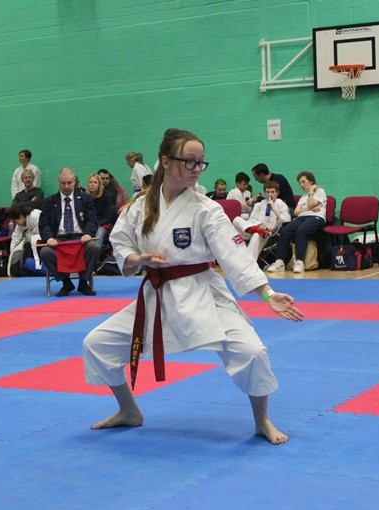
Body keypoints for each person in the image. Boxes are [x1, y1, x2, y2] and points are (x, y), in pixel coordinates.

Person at [82, 128, 303, 444]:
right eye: (190, 161)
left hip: (203, 293)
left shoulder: (206, 209)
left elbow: (235, 256)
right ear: (166, 161)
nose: (197, 168)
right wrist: (137, 258)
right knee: (96, 343)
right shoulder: (140, 205)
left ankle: (262, 420)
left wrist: (267, 294)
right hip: (158, 295)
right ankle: (129, 411)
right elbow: (120, 241)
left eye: (201, 162)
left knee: (252, 352)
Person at [38, 167, 101, 297]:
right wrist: (49, 237)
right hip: (59, 239)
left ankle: (83, 282)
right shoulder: (49, 202)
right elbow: (43, 224)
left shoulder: (85, 198)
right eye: (63, 183)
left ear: (74, 181)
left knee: (94, 247)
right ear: (58, 182)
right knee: (45, 252)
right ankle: (66, 282)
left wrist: (88, 233)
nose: (66, 186)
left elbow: (92, 219)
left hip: (80, 238)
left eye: (69, 183)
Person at [266, 171, 327, 274]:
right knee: (285, 231)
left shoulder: (320, 191)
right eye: (300, 183)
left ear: (311, 181)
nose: (301, 185)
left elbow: (311, 203)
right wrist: (308, 208)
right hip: (302, 218)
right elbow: (296, 212)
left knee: (301, 231)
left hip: (316, 217)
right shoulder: (303, 197)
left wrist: (311, 191)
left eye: (303, 182)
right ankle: (280, 261)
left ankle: (300, 262)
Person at [233, 180, 291, 259]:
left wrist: (274, 209)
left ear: (277, 193)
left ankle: (248, 261)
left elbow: (287, 220)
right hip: (254, 229)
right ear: (265, 193)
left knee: (257, 235)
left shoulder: (281, 204)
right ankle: (258, 230)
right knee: (236, 219)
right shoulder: (259, 204)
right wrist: (258, 227)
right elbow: (251, 220)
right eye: (268, 192)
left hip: (268, 233)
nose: (270, 194)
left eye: (272, 192)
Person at [7, 205, 42, 277]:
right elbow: (15, 239)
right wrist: (12, 255)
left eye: (15, 221)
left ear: (21, 217)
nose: (16, 224)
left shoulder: (37, 217)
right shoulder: (20, 225)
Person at [86, 172, 116, 245]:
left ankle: (96, 249)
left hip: (102, 224)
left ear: (99, 185)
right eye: (90, 182)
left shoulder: (106, 197)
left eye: (95, 182)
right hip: (89, 224)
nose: (92, 184)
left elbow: (107, 218)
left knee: (99, 232)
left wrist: (95, 224)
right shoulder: (84, 197)